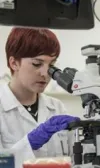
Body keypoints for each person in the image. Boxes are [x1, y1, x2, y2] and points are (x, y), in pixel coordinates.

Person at [0, 27, 80, 168]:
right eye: (37, 64)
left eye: (52, 65)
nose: (45, 73)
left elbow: (77, 161)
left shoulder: (57, 107)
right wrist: (28, 144)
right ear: (14, 63)